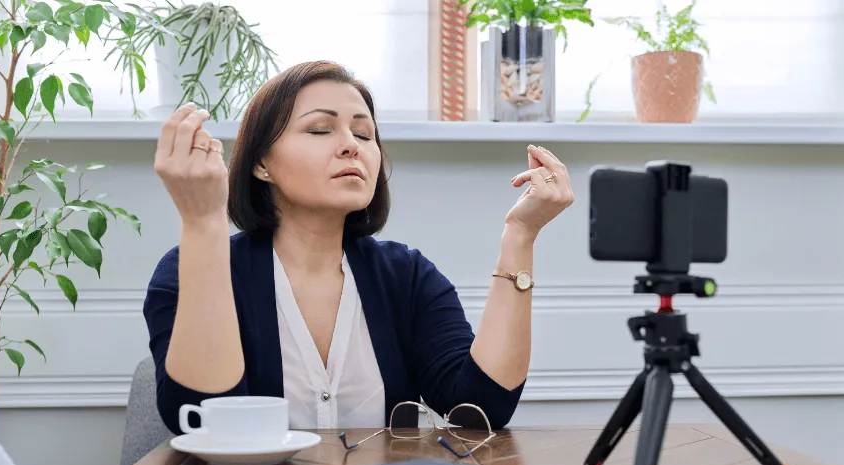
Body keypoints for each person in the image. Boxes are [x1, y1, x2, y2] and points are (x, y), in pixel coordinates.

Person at [143, 60, 574, 437]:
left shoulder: (407, 276)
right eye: (320, 129)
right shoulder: (189, 267)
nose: (352, 144)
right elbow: (198, 416)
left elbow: (481, 411)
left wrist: (521, 235)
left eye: (364, 134)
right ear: (261, 164)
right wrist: (202, 222)